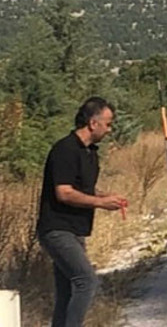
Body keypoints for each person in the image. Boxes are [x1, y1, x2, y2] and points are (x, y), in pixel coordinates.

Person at [37, 97, 127, 327]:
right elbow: (64, 192)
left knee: (66, 293)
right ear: (92, 122)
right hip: (57, 229)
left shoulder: (90, 153)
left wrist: (105, 197)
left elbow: (82, 188)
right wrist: (99, 203)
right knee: (86, 280)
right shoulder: (65, 149)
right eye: (107, 123)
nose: (109, 129)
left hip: (76, 230)